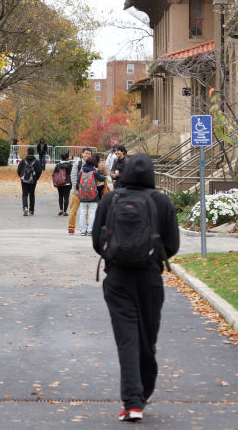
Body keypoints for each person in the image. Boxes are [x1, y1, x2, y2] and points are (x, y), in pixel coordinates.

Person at [92, 154, 180, 422]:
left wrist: (115, 255)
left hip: (117, 277)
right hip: (150, 278)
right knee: (147, 339)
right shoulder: (162, 201)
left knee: (127, 338)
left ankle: (132, 402)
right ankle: (141, 394)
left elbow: (97, 240)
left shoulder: (110, 199)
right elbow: (173, 245)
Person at [76, 153, 108, 236]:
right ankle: (90, 230)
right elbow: (102, 178)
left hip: (82, 196)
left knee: (82, 212)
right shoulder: (95, 172)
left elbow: (77, 183)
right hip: (93, 195)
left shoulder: (81, 172)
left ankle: (82, 230)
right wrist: (99, 171)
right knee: (92, 212)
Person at [68, 147, 93, 234]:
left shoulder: (92, 165)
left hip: (87, 193)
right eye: (85, 153)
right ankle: (71, 227)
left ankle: (85, 228)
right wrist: (76, 189)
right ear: (82, 154)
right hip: (77, 192)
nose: (87, 155)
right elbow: (73, 177)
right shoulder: (77, 164)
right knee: (73, 211)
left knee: (85, 212)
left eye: (89, 153)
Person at [17, 146, 43, 216]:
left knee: (24, 194)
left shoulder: (23, 161)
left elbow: (19, 170)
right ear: (33, 153)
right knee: (32, 194)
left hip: (24, 180)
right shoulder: (36, 162)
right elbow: (39, 171)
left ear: (27, 152)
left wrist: (22, 177)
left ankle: (25, 207)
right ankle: (31, 210)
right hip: (33, 181)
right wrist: (36, 178)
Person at [51, 150, 72, 216]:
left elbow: (54, 173)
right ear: (67, 158)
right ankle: (65, 211)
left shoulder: (58, 165)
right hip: (67, 182)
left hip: (60, 182)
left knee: (60, 196)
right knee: (66, 197)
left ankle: (61, 209)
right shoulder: (70, 165)